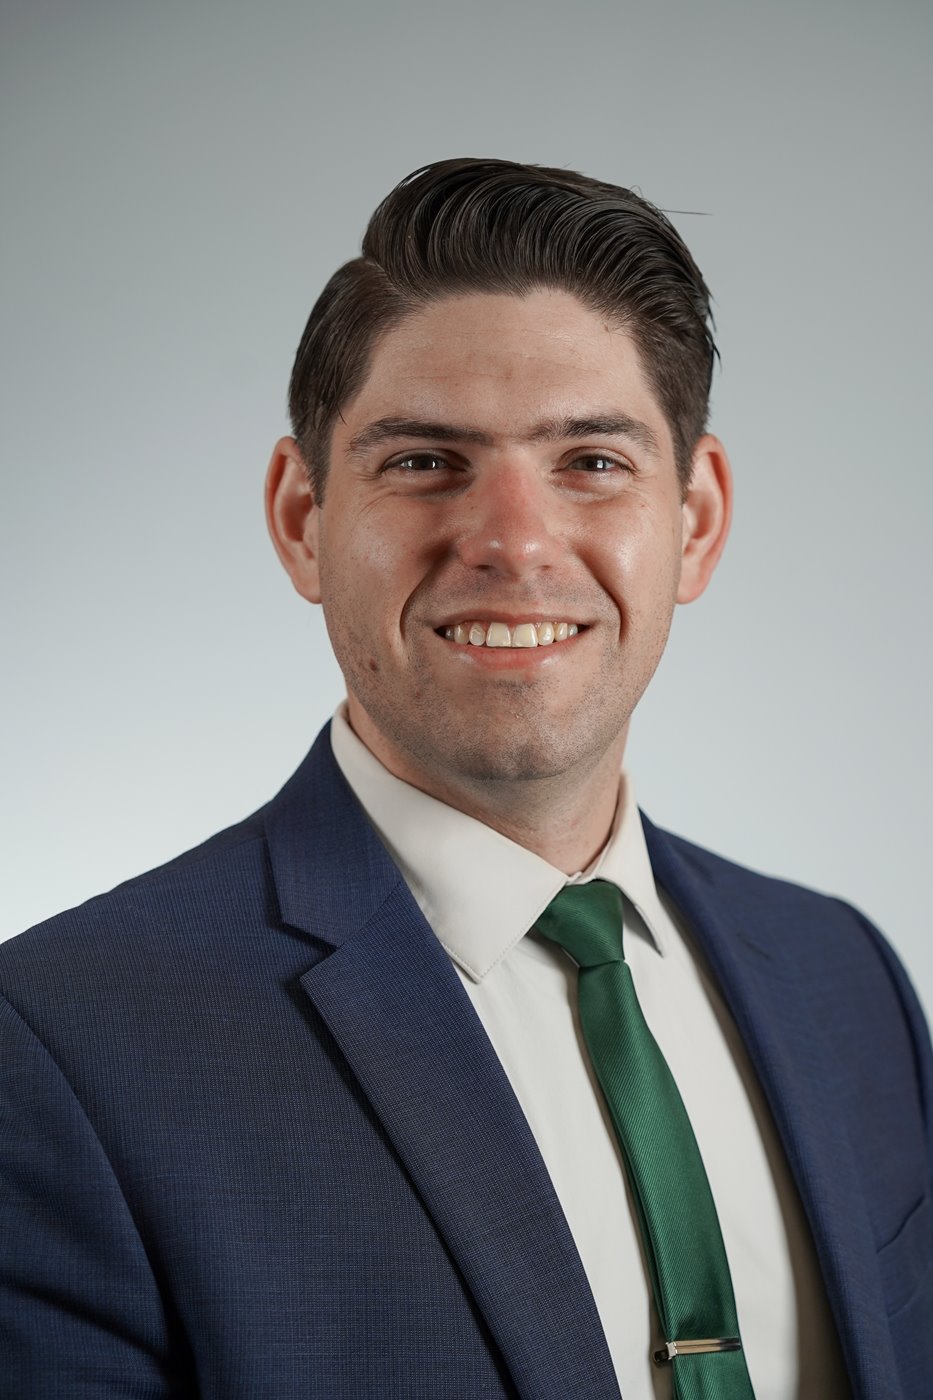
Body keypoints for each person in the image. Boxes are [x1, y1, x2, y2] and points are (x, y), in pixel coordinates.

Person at [1, 158, 930, 1400]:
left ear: (696, 519)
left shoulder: (846, 978)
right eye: (427, 461)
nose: (513, 541)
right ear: (301, 517)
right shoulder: (65, 1043)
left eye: (591, 460)